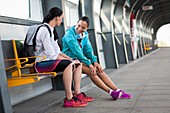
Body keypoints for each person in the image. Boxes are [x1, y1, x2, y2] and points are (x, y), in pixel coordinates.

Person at [33, 8, 94, 108]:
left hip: (50, 61)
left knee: (77, 63)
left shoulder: (51, 30)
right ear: (57, 18)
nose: (62, 20)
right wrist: (69, 61)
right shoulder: (44, 30)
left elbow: (58, 51)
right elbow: (51, 55)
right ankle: (69, 99)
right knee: (69, 64)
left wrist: (70, 59)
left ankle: (77, 93)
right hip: (41, 63)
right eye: (61, 18)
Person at [62, 16, 132, 100]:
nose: (80, 28)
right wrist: (90, 65)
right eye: (79, 25)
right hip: (69, 60)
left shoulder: (84, 35)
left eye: (83, 28)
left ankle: (117, 90)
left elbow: (89, 50)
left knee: (98, 69)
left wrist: (94, 62)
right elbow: (77, 52)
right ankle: (110, 92)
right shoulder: (69, 35)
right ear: (76, 23)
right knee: (92, 71)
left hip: (79, 60)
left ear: (87, 28)